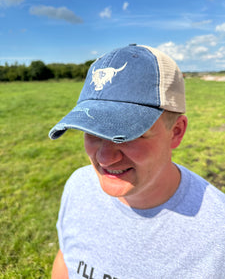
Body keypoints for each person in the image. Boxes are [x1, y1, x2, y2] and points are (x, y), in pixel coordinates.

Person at [49, 44, 225, 279]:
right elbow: (65, 259)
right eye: (91, 131)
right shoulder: (78, 186)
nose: (104, 158)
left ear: (176, 132)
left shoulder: (217, 234)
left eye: (128, 134)